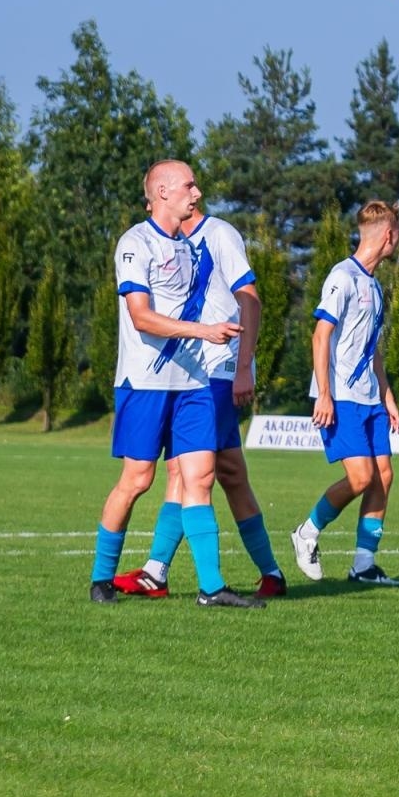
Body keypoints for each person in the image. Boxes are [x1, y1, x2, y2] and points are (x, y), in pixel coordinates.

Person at [88, 160, 264, 608]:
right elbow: (141, 316)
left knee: (200, 477)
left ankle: (211, 588)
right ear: (163, 192)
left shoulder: (190, 247)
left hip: (191, 382)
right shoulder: (134, 243)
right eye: (189, 185)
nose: (197, 192)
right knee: (138, 479)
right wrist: (205, 332)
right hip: (145, 381)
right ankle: (100, 578)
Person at [112, 204, 287, 599]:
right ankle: (269, 573)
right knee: (217, 471)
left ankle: (159, 573)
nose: (193, 194)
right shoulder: (166, 244)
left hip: (219, 368)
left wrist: (244, 367)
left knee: (197, 471)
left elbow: (250, 298)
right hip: (190, 372)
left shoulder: (218, 233)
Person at [290, 201, 399, 586]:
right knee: (359, 478)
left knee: (383, 477)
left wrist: (387, 397)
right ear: (389, 235)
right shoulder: (343, 277)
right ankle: (306, 533)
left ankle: (363, 565)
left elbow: (372, 349)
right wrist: (324, 394)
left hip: (369, 398)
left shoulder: (373, 285)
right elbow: (320, 335)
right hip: (340, 397)